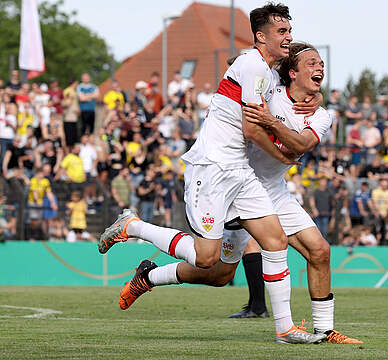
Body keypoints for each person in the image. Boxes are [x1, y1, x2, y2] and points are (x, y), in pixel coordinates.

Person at [99, 7, 325, 344]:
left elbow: (280, 84)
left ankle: (285, 330)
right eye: (281, 31)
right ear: (261, 36)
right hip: (213, 168)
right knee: (206, 258)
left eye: (289, 30)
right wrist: (285, 155)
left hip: (241, 172)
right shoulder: (253, 65)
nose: (288, 36)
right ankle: (132, 227)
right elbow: (251, 127)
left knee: (259, 250)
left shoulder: (265, 68)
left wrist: (315, 95)